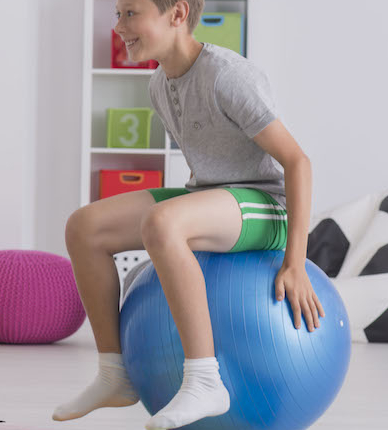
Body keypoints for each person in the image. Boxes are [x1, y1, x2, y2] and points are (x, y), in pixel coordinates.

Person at [53, 0, 323, 429]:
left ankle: (204, 379)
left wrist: (295, 263)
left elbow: (297, 162)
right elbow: (205, 168)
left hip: (268, 205)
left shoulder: (228, 75)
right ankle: (114, 373)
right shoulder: (159, 84)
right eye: (118, 14)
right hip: (217, 197)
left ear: (177, 14)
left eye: (130, 13)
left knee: (163, 223)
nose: (119, 26)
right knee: (84, 227)